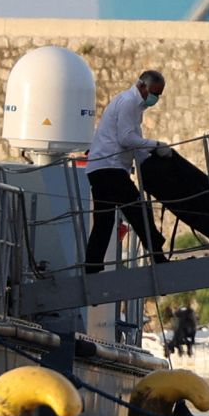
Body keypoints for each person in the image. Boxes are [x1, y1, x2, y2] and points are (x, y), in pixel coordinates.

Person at [84, 70, 172, 273]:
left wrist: (150, 158)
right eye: (154, 93)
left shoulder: (134, 105)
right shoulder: (129, 103)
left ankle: (92, 266)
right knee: (139, 211)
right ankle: (158, 256)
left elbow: (134, 145)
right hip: (110, 168)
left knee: (104, 220)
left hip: (101, 168)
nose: (155, 99)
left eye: (158, 95)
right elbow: (126, 139)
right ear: (142, 86)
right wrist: (156, 145)